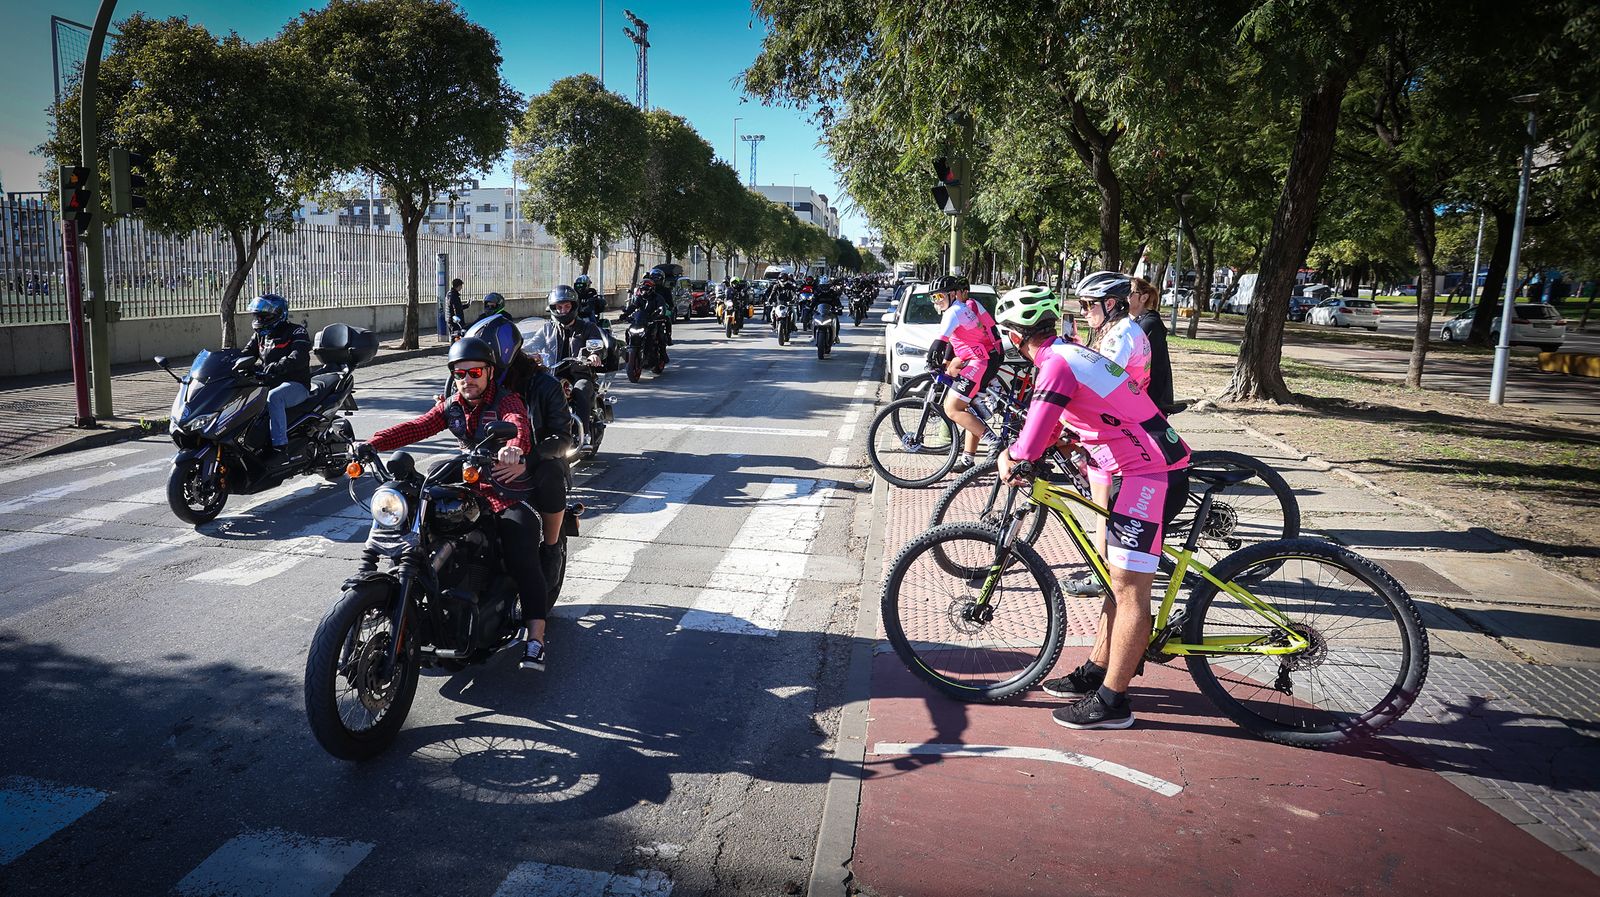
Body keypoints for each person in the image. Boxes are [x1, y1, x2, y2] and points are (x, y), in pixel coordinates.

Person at [993, 284, 1191, 730]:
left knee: (1128, 588)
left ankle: (1113, 701)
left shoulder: (1055, 365)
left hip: (1146, 473)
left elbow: (1028, 443)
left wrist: (1012, 458)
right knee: (1111, 577)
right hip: (1138, 466)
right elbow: (1063, 421)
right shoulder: (1068, 352)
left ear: (1013, 336)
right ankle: (1099, 669)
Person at [360, 336, 568, 672]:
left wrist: (512, 447)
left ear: (488, 372)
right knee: (424, 513)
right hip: (469, 484)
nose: (467, 380)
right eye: (460, 374)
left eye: (474, 373)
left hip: (507, 491)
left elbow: (517, 426)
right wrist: (372, 443)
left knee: (521, 553)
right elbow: (418, 426)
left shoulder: (506, 401)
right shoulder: (453, 406)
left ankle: (535, 638)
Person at [1067, 272, 1155, 599]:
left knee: (1103, 507)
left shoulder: (1120, 335)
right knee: (1099, 500)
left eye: (1089, 305)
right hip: (1121, 421)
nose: (1084, 310)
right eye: (1081, 304)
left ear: (1110, 304)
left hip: (1116, 431)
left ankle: (1100, 573)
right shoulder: (1119, 329)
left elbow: (1099, 382)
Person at [925, 275, 1003, 471]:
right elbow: (951, 341)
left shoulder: (954, 311)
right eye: (933, 298)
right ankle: (968, 459)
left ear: (953, 294)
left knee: (952, 408)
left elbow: (939, 343)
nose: (937, 301)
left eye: (940, 296)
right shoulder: (960, 308)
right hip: (981, 359)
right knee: (970, 411)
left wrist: (931, 359)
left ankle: (994, 442)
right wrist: (944, 360)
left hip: (980, 361)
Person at [238, 294, 311, 464]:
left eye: (264, 316)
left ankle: (280, 448)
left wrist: (278, 366)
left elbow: (298, 356)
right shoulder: (259, 336)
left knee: (274, 397)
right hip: (267, 382)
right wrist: (227, 363)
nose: (259, 320)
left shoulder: (296, 331)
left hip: (295, 384)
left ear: (279, 314)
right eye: (257, 316)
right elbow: (245, 354)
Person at [1128, 276, 1177, 415]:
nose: (1124, 296)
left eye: (1129, 293)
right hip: (1144, 395)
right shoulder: (1139, 321)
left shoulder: (1149, 324)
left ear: (1143, 298)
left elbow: (1154, 367)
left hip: (1151, 398)